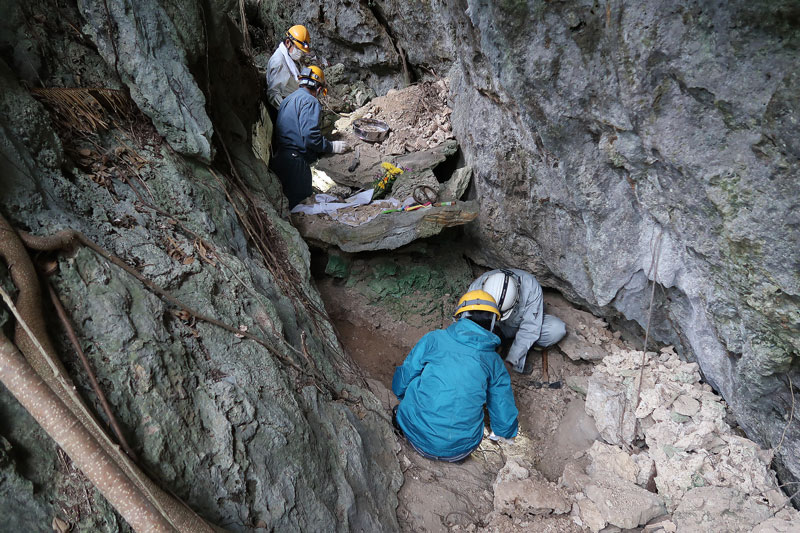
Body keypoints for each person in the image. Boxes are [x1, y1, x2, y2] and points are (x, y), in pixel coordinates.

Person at [392, 290, 519, 462]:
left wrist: (399, 392)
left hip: (414, 433)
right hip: (458, 451)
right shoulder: (494, 361)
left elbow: (406, 374)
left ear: (460, 316)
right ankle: (449, 449)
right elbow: (502, 404)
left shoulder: (434, 339)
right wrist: (507, 433)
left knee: (420, 376)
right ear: (493, 323)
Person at [271, 66, 349, 208]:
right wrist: (331, 147)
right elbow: (309, 135)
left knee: (285, 207)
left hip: (280, 159)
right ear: (319, 89)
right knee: (302, 209)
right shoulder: (310, 101)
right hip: (296, 164)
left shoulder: (287, 100)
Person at [468, 268, 566, 374]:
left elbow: (530, 328)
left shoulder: (530, 287)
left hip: (519, 324)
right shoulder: (476, 289)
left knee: (556, 329)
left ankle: (524, 349)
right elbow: (464, 325)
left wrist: (511, 361)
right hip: (494, 327)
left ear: (516, 298)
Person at [266, 25, 311, 109]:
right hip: (289, 108)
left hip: (296, 100)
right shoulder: (278, 62)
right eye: (298, 49)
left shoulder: (290, 56)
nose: (300, 53)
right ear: (288, 42)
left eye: (302, 51)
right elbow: (273, 94)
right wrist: (289, 112)